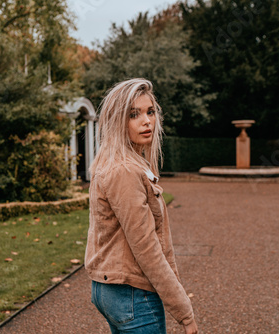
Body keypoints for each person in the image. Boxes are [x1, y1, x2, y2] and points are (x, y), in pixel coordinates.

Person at [85, 78, 198, 334]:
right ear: (117, 121)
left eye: (150, 112)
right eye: (134, 114)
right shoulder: (125, 171)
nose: (147, 121)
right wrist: (185, 313)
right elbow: (147, 248)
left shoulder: (112, 163)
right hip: (133, 295)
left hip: (108, 289)